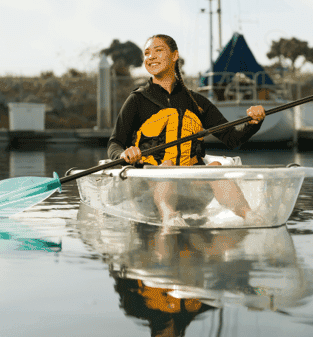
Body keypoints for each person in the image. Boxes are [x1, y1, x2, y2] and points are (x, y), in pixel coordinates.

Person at [107, 34, 266, 226]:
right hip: (150, 187)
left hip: (193, 191)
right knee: (167, 166)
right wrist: (124, 153)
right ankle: (170, 218)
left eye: (158, 51)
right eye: (147, 53)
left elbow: (232, 139)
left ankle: (250, 216)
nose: (151, 57)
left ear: (174, 56)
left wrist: (253, 122)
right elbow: (115, 143)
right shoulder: (137, 100)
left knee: (215, 168)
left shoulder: (197, 103)